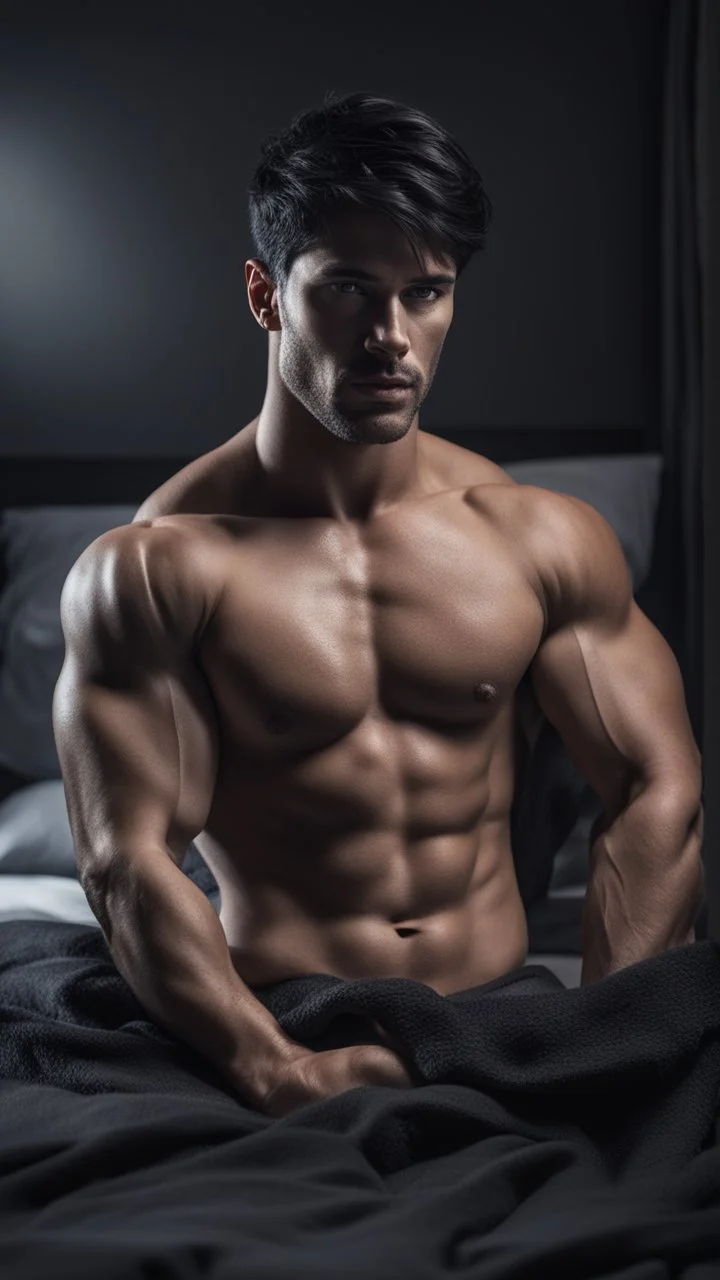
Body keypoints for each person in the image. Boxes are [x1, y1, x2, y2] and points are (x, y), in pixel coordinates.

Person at [52, 91, 704, 1120]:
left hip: (507, 1017)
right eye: (349, 289)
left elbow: (656, 782)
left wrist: (603, 1028)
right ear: (266, 295)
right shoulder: (157, 568)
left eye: (427, 292)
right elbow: (126, 858)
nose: (392, 336)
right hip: (282, 1018)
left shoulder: (537, 537)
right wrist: (270, 1067)